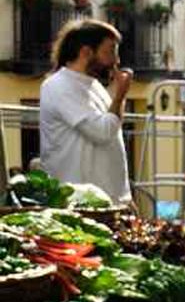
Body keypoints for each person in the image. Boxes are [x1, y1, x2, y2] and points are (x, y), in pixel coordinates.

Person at [38, 19, 132, 202]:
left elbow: (112, 135)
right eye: (110, 51)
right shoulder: (59, 86)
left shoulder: (94, 85)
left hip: (108, 199)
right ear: (86, 52)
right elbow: (103, 132)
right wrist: (120, 95)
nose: (117, 61)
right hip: (77, 202)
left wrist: (125, 196)